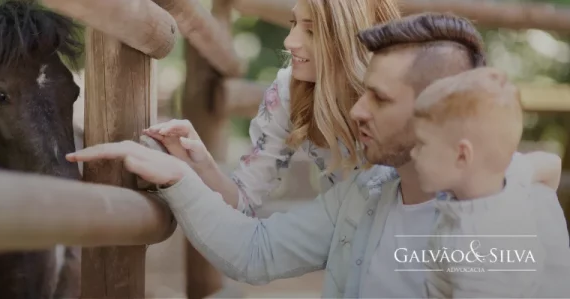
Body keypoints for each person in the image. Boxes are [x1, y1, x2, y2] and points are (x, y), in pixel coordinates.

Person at [67, 13, 570, 298]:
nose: (357, 109)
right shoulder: (367, 196)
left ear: (439, 109)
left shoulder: (521, 223)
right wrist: (179, 177)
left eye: (381, 98)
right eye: (363, 91)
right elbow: (256, 251)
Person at [145, 0, 402, 218]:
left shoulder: (405, 90)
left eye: (311, 31)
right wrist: (200, 163)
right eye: (294, 24)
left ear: (349, 37)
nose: (290, 42)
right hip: (348, 255)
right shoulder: (288, 93)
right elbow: (242, 200)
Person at [409, 66, 567, 298]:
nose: (413, 153)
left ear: (462, 155)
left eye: (421, 144)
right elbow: (552, 163)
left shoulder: (483, 250)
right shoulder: (511, 175)